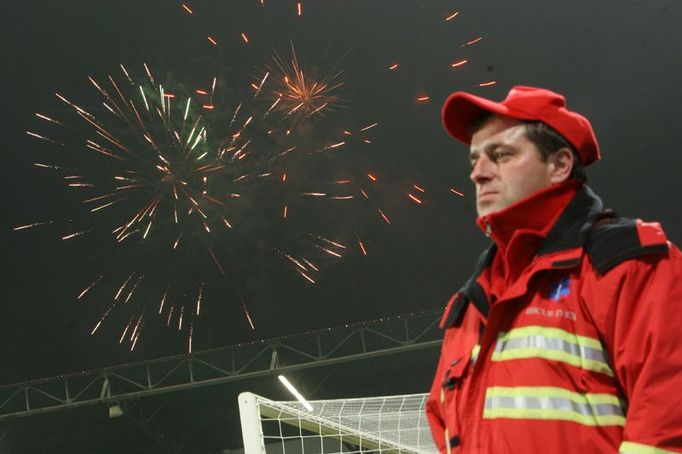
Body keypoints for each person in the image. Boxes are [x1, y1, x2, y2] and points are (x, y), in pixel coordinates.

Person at [426, 86, 682, 453]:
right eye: (474, 160)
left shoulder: (628, 265)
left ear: (560, 165)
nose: (478, 174)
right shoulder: (469, 303)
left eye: (500, 155)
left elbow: (668, 418)